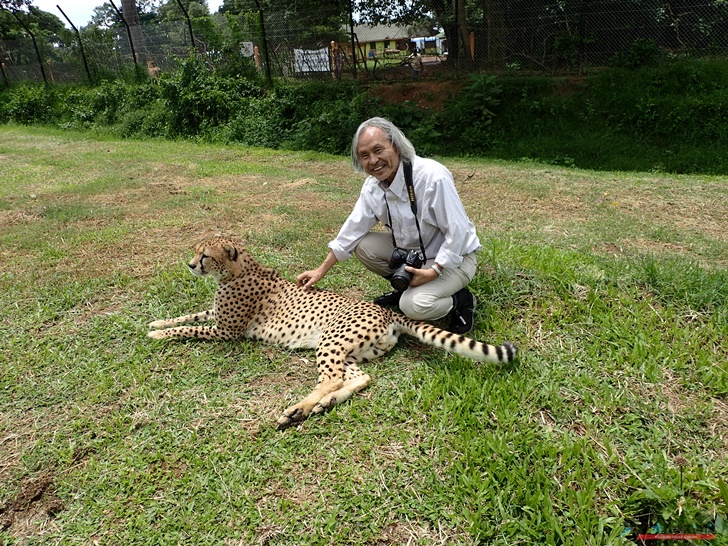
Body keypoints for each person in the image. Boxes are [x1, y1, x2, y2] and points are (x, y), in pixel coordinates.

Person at [296, 117, 480, 334]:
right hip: (415, 255)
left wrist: (434, 270)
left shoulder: (431, 176)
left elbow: (458, 231)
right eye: (365, 156)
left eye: (378, 150)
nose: (373, 160)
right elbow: (352, 230)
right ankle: (406, 286)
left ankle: (462, 300)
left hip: (454, 259)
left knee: (413, 306)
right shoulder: (372, 186)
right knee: (363, 245)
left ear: (396, 145)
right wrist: (320, 270)